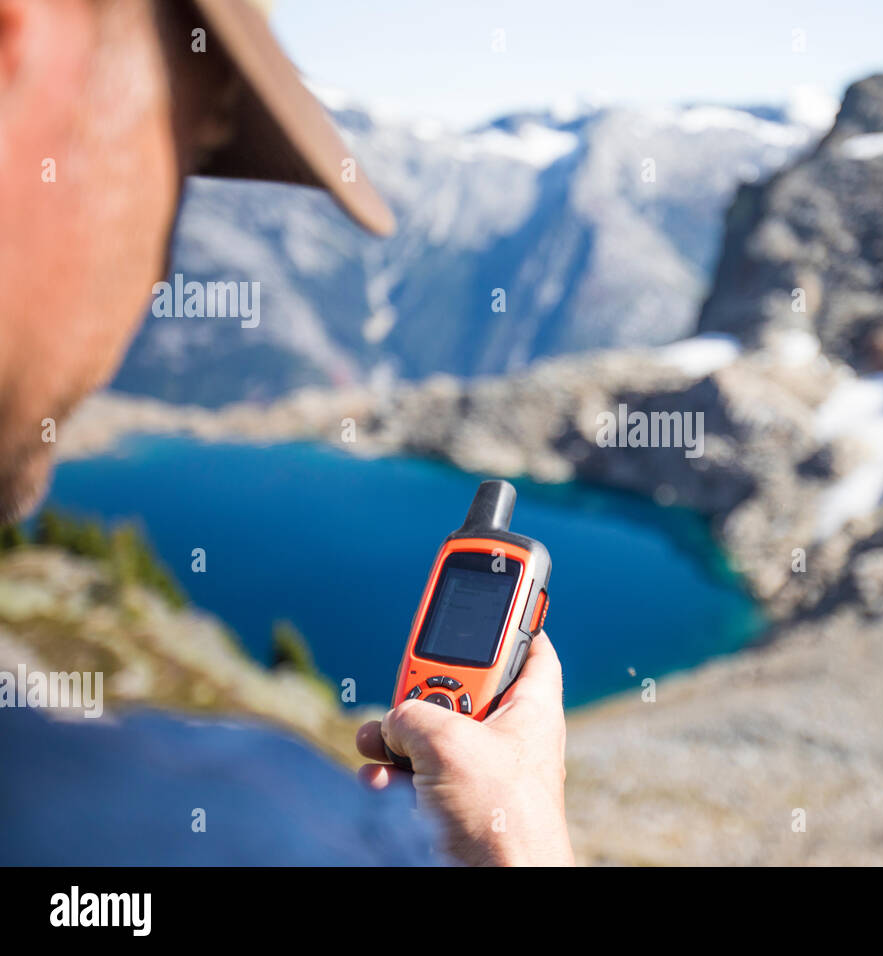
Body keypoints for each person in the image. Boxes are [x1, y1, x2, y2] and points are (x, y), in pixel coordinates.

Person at [0, 0, 573, 866]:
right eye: (187, 157)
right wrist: (517, 837)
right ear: (20, 37)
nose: (161, 267)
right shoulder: (257, 832)